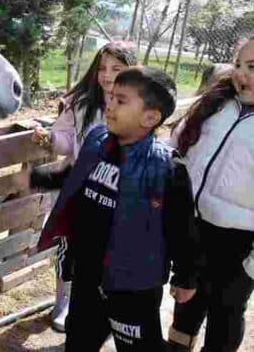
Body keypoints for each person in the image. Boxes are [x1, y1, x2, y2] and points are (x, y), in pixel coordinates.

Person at [21, 66, 201, 351]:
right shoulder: (97, 141)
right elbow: (77, 177)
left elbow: (181, 228)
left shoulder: (166, 168)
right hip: (88, 274)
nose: (110, 105)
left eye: (121, 100)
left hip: (133, 285)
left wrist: (186, 276)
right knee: (79, 340)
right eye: (111, 97)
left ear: (150, 117)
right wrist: (39, 178)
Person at [32, 40, 138, 331]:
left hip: (114, 195)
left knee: (101, 255)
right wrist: (51, 139)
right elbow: (67, 139)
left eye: (117, 68)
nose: (107, 74)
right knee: (70, 250)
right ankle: (62, 303)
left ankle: (91, 306)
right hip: (80, 192)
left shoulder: (139, 105)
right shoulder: (81, 103)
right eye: (102, 67)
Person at [166, 38, 254, 352]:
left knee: (226, 315)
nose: (242, 74)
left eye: (253, 67)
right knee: (185, 308)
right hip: (194, 231)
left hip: (240, 246)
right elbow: (175, 148)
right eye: (239, 65)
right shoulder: (214, 104)